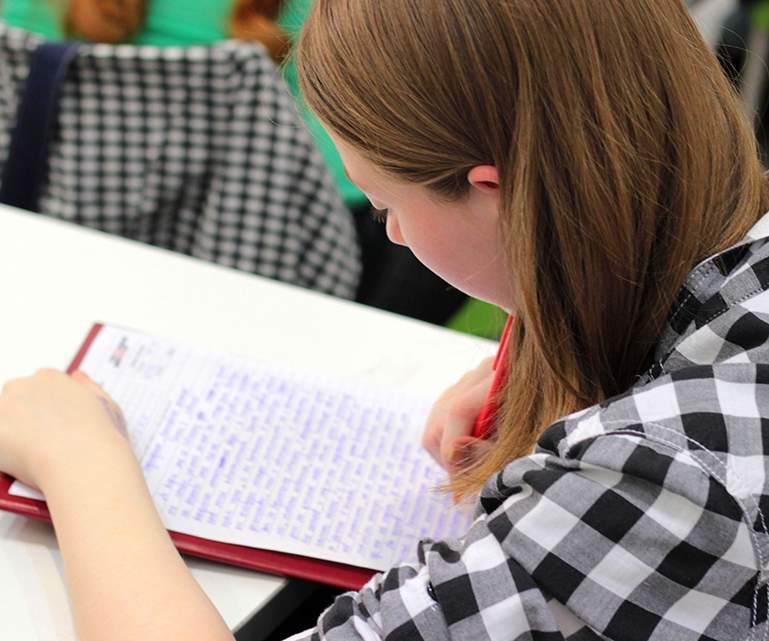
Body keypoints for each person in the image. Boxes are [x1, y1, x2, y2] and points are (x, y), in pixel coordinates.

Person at [1, 0, 768, 639]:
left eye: (384, 205)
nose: (392, 233)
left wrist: (81, 463)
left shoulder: (659, 489)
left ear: (497, 193)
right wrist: (572, 358)